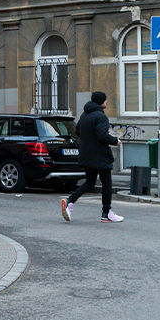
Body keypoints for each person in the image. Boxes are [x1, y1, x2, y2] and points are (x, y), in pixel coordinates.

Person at [61, 91, 124, 223]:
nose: (106, 102)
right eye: (105, 100)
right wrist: (115, 141)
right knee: (107, 183)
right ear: (101, 102)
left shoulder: (85, 115)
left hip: (86, 155)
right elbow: (102, 135)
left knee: (89, 183)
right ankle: (106, 213)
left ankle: (69, 201)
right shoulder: (101, 116)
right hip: (100, 156)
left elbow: (77, 131)